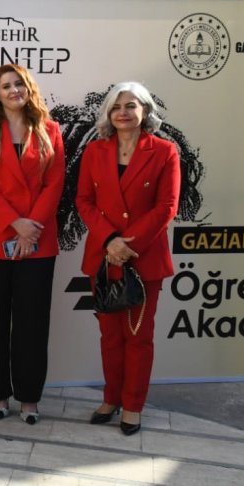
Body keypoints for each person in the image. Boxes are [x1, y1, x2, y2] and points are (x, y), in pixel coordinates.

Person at [76, 82, 180, 436]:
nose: (123, 112)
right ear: (108, 113)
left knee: (138, 337)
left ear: (145, 111)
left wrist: (126, 244)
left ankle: (133, 405)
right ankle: (111, 398)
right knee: (110, 336)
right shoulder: (94, 151)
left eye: (131, 106)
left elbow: (167, 207)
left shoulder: (165, 152)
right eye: (117, 106)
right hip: (104, 259)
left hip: (143, 257)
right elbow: (84, 202)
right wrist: (109, 240)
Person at [0, 63, 65, 425]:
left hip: (38, 243)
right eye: (5, 85)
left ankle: (29, 398)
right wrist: (14, 223)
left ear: (28, 89)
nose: (13, 90)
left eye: (18, 84)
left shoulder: (51, 131)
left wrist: (30, 228)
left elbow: (55, 184)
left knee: (32, 324)